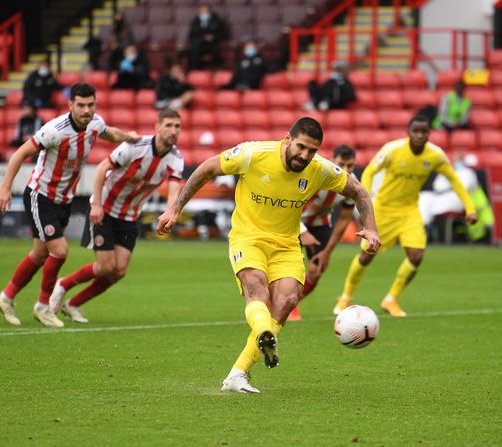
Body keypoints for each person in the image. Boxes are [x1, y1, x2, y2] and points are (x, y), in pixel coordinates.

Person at [156, 117, 380, 393]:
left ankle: (237, 374)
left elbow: (358, 191)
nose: (305, 155)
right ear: (287, 139)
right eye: (300, 147)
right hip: (247, 238)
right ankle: (265, 333)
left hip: (286, 244)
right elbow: (207, 169)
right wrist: (175, 209)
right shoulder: (253, 154)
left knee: (287, 300)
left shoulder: (320, 169)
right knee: (257, 292)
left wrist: (370, 229)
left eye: (312, 150)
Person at [0, 83, 140, 328]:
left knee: (39, 254)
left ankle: (5, 297)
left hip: (64, 199)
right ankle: (43, 306)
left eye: (90, 105)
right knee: (59, 251)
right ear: (70, 105)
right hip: (41, 195)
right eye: (80, 105)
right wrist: (5, 187)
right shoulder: (54, 131)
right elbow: (20, 153)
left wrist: (129, 137)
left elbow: (109, 133)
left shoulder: (94, 123)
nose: (86, 110)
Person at [48, 109, 184, 323]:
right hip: (105, 209)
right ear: (157, 127)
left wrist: (170, 211)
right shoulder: (135, 147)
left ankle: (73, 304)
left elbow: (175, 187)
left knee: (119, 271)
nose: (173, 131)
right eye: (168, 125)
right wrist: (97, 205)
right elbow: (102, 168)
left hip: (130, 216)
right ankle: (63, 284)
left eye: (177, 126)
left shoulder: (176, 159)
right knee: (105, 267)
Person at [333, 114, 477, 318]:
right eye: (415, 131)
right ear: (408, 132)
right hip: (383, 209)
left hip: (409, 211)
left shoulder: (435, 155)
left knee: (416, 256)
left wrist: (470, 209)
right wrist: (364, 198)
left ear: (429, 134)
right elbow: (371, 171)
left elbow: (454, 179)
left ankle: (391, 299)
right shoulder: (392, 150)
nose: (419, 135)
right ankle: (345, 297)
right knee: (366, 256)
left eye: (423, 132)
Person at [291, 144, 358, 321]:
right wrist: (303, 232)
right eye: (341, 164)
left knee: (317, 269)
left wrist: (327, 252)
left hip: (319, 224)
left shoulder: (352, 184)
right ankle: (282, 305)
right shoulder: (316, 173)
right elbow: (288, 206)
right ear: (332, 160)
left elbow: (343, 219)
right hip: (290, 221)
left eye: (350, 166)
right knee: (291, 267)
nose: (346, 170)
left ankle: (291, 304)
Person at [187, 4, 229, 70]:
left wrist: (213, 37)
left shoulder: (217, 20)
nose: (203, 13)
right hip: (199, 44)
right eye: (202, 11)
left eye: (205, 11)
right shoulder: (195, 21)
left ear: (209, 12)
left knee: (218, 51)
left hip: (213, 44)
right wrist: (202, 38)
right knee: (192, 51)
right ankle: (195, 71)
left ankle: (216, 71)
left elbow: (223, 34)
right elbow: (191, 36)